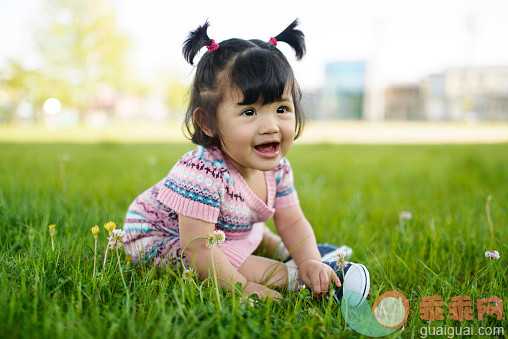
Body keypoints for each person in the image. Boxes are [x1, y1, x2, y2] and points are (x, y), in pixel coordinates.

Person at [123, 19, 370, 303]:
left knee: (255, 232)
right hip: (164, 239)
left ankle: (311, 259)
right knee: (228, 256)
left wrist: (309, 258)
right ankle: (299, 279)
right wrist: (241, 287)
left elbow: (291, 220)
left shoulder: (278, 168)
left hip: (224, 231)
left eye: (281, 108)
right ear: (208, 122)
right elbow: (199, 248)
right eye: (250, 112)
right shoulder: (202, 172)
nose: (270, 126)